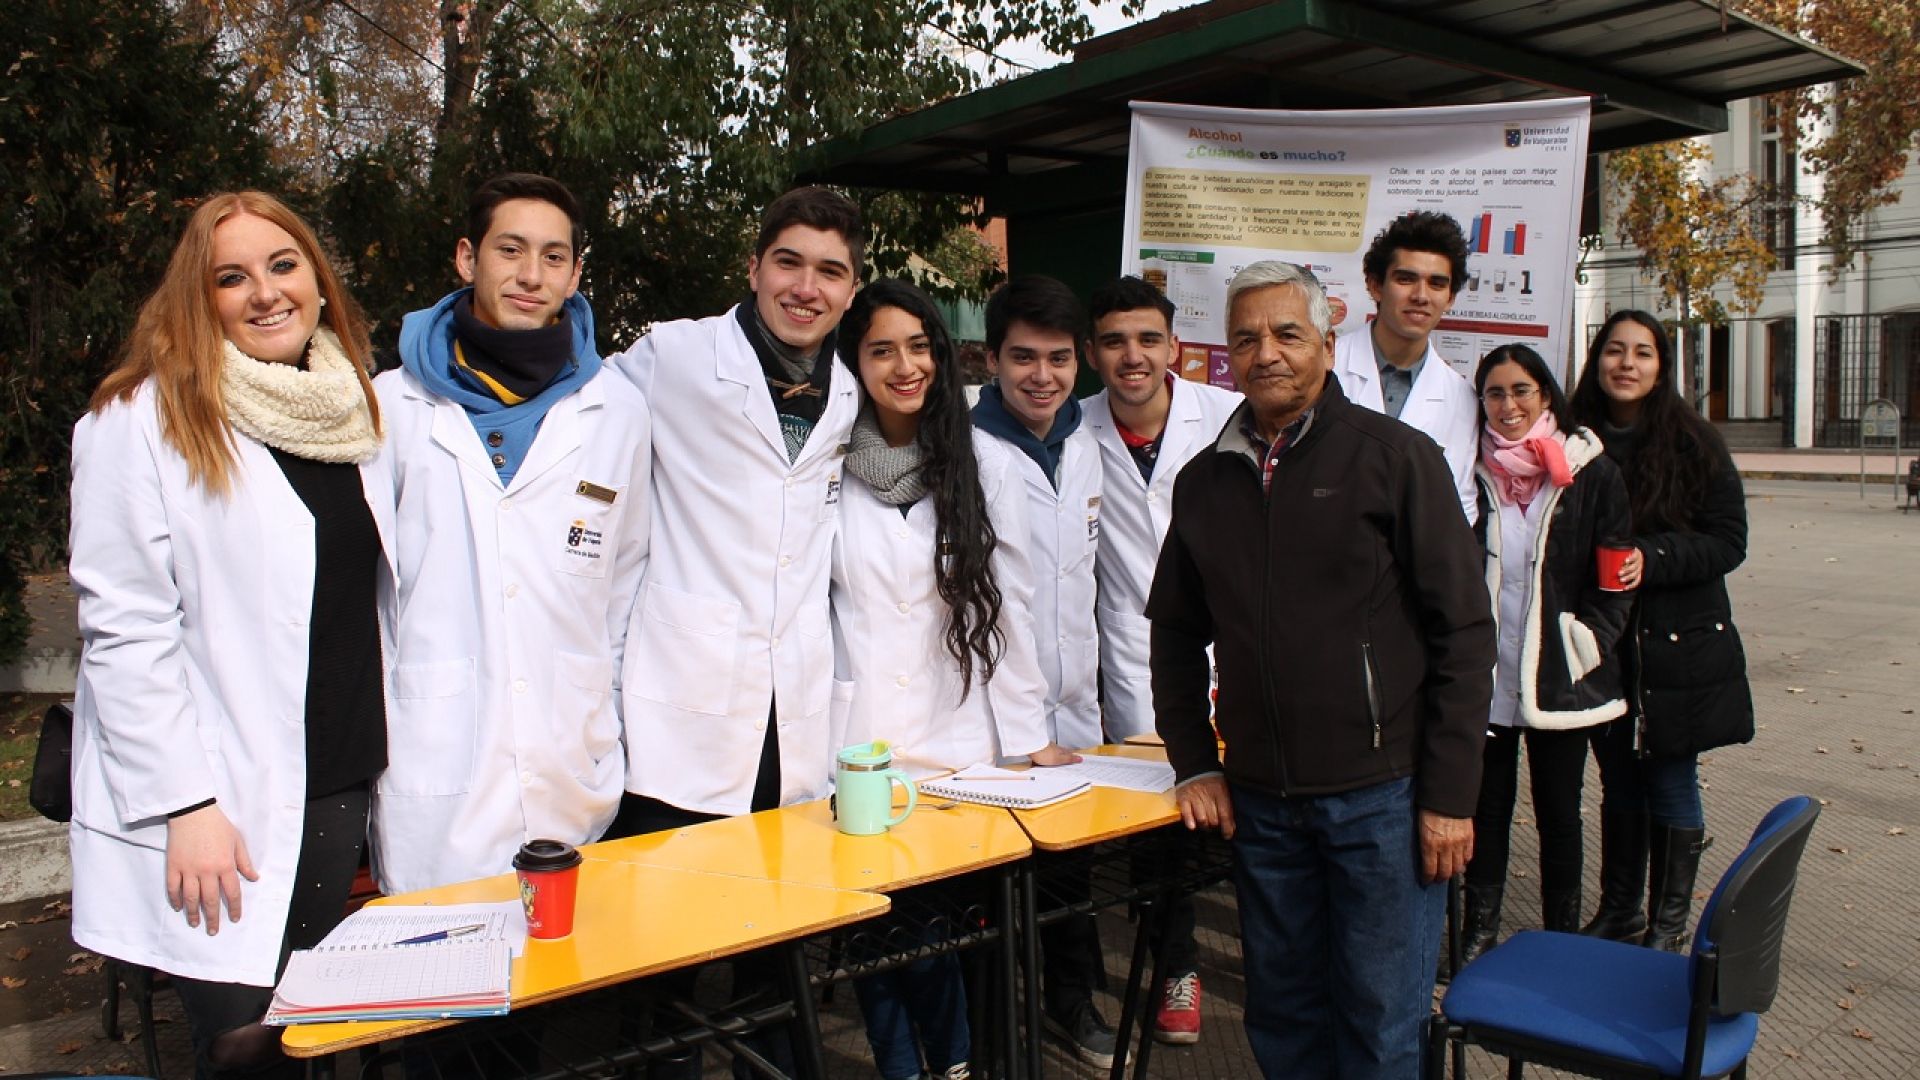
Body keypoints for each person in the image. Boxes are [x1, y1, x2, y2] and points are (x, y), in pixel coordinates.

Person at [69, 192, 391, 1079]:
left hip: (333, 779)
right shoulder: (139, 420)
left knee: (310, 1034)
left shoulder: (354, 414)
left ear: (318, 281)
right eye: (231, 278)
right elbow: (124, 631)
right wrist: (186, 805)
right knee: (243, 1048)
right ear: (197, 297)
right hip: (221, 804)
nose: (266, 292)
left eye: (283, 266)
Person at [1149, 260, 1494, 1078]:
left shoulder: (1396, 458)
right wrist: (1194, 761)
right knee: (1285, 1016)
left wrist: (1450, 797)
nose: (1265, 352)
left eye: (1287, 333)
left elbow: (1464, 632)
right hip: (1262, 806)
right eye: (1245, 339)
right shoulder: (1205, 480)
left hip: (1383, 802)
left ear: (1328, 346)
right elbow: (1173, 634)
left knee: (1381, 1025)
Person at [606, 187, 863, 1079]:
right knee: (658, 953)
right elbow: (576, 424)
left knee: (773, 945)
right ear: (753, 268)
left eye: (829, 271)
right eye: (788, 262)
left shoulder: (849, 392)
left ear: (851, 289)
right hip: (679, 710)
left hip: (790, 717)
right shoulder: (672, 356)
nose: (806, 287)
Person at [370, 172, 652, 894]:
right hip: (437, 761)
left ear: (575, 274)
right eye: (511, 250)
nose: (531, 275)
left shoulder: (617, 410)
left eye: (554, 257)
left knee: (574, 957)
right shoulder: (391, 407)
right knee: (440, 956)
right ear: (468, 258)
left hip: (572, 765)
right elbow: (366, 596)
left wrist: (604, 715)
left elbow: (623, 588)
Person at [831, 279, 1074, 1080]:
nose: (905, 366)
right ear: (854, 362)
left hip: (958, 738)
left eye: (919, 346)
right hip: (857, 741)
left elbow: (1010, 606)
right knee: (869, 931)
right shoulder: (826, 465)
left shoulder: (987, 463)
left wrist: (1032, 738)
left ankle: (957, 1064)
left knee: (936, 933)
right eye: (882, 350)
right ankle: (905, 1070)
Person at [1080, 275, 1240, 1045]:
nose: (1132, 356)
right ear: (1092, 353)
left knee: (1260, 816)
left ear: (1175, 346)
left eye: (1148, 339)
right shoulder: (1072, 428)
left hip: (1237, 643)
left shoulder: (1227, 416)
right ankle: (1176, 967)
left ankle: (1283, 970)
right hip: (1136, 656)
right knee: (1160, 822)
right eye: (1114, 342)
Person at [1570, 310, 1754, 951]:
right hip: (1605, 643)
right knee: (1618, 781)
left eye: (1642, 352)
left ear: (1661, 366)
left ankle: (1667, 928)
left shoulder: (1694, 442)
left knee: (1671, 779)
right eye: (1615, 350)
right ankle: (1620, 909)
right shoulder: (1573, 438)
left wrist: (1652, 558)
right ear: (1597, 359)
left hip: (1677, 646)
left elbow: (1728, 541)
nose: (1627, 364)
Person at [969, 276, 1115, 1068]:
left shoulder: (1083, 442)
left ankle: (1069, 1000)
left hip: (1074, 704)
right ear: (992, 358)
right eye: (1023, 357)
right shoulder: (966, 445)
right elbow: (991, 599)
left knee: (1070, 872)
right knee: (996, 883)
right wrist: (1023, 727)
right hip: (994, 720)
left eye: (1058, 359)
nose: (1042, 376)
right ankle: (992, 1034)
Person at [1457, 343, 1633, 968]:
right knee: (1486, 807)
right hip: (1486, 672)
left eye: (1521, 391)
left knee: (1560, 811)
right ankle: (1479, 930)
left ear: (1546, 396)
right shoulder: (1467, 470)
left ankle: (1559, 939)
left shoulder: (1591, 471)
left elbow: (1615, 576)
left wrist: (1589, 641)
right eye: (1494, 393)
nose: (1508, 406)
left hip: (1559, 671)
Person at [1332, 210, 1481, 523]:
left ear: (1450, 298)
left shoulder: (1461, 397)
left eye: (1437, 284)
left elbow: (1461, 505)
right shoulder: (1325, 368)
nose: (1421, 296)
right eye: (1406, 279)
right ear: (1375, 285)